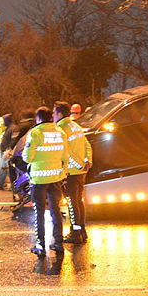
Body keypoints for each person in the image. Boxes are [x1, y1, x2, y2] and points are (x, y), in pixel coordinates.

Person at [22, 106, 68, 257]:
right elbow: (65, 156)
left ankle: (40, 245)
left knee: (39, 212)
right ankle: (58, 243)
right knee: (56, 211)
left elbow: (27, 157)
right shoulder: (60, 132)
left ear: (38, 118)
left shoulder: (35, 133)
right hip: (56, 178)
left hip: (39, 178)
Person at [54, 101, 93, 244]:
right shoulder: (76, 126)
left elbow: (66, 152)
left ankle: (75, 233)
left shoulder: (61, 129)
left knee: (71, 202)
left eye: (53, 113)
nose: (52, 116)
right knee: (78, 201)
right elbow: (87, 145)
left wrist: (77, 165)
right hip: (82, 171)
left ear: (59, 114)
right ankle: (81, 230)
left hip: (72, 171)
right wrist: (87, 162)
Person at [0, 110, 37, 198]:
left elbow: (15, 140)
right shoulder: (37, 126)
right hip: (36, 155)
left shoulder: (21, 127)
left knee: (19, 173)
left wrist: (9, 150)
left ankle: (20, 192)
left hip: (21, 154)